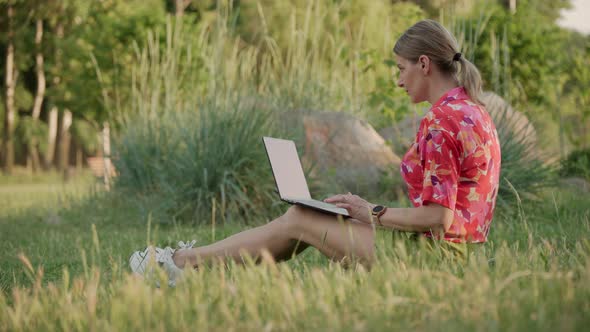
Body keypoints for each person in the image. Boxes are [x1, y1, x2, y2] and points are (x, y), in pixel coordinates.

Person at [129, 19, 501, 286]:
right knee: (306, 214)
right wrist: (362, 213)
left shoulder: (441, 122)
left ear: (424, 64)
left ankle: (179, 265)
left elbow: (440, 219)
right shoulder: (473, 112)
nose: (399, 80)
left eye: (401, 69)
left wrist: (371, 213)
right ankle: (192, 269)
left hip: (433, 261)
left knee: (300, 219)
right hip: (457, 257)